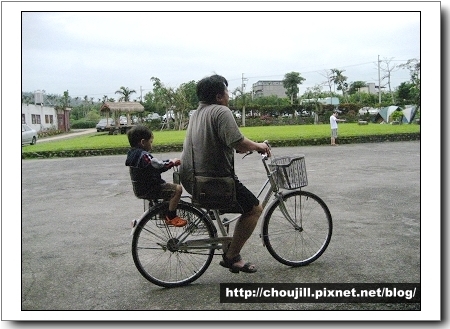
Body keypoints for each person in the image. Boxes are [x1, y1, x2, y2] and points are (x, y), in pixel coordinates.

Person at [179, 74, 270, 273]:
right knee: (254, 209)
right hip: (210, 181)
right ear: (220, 96)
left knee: (236, 202)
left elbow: (225, 141)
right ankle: (232, 256)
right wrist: (259, 146)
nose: (229, 96)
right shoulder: (221, 111)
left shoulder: (197, 113)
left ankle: (227, 239)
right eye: (227, 92)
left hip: (190, 177)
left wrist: (245, 146)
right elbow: (238, 142)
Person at [125, 125, 187, 227]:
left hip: (140, 189)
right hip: (150, 188)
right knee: (177, 189)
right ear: (143, 142)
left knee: (167, 189)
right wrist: (172, 162)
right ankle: (171, 216)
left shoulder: (132, 154)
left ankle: (164, 214)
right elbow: (157, 165)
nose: (151, 145)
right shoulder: (144, 155)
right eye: (150, 142)